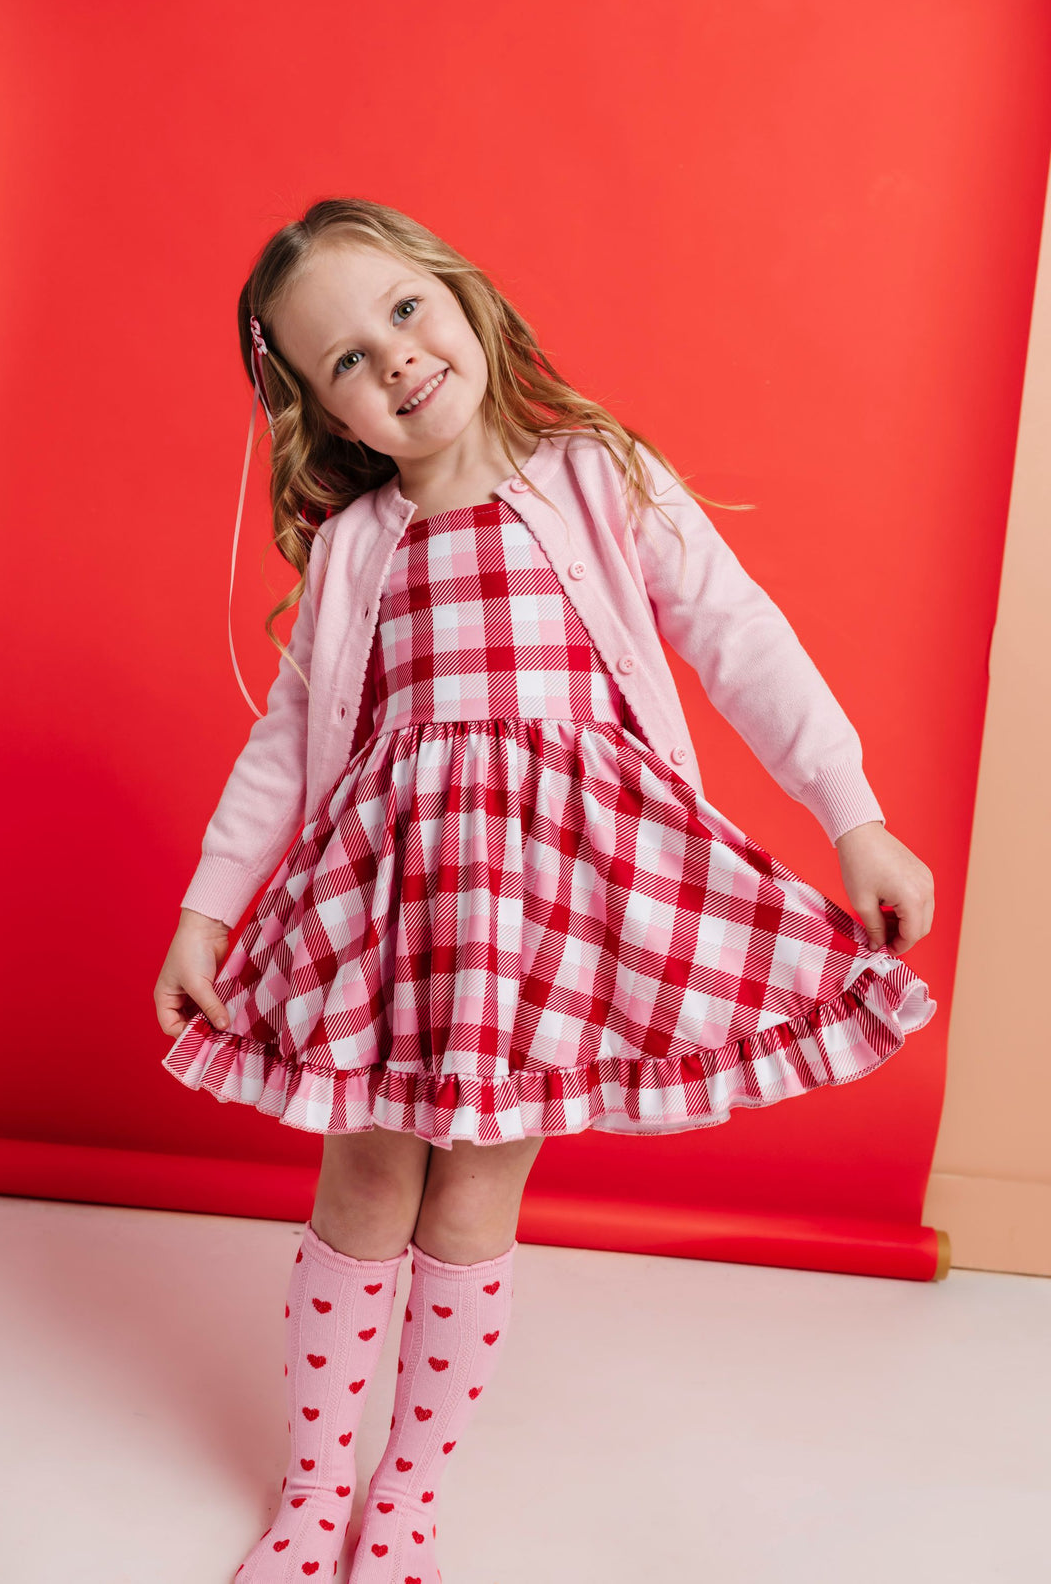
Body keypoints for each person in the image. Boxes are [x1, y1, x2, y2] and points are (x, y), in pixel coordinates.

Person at [153, 197, 936, 1583]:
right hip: (398, 914)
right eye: (341, 360)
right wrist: (209, 910)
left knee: (472, 1205)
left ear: (461, 295)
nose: (389, 359)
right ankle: (315, 1488)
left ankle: (403, 1503)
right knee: (364, 1180)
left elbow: (743, 640)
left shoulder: (595, 475)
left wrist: (853, 816)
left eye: (400, 311)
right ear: (327, 417)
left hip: (555, 912)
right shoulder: (355, 549)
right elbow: (286, 746)